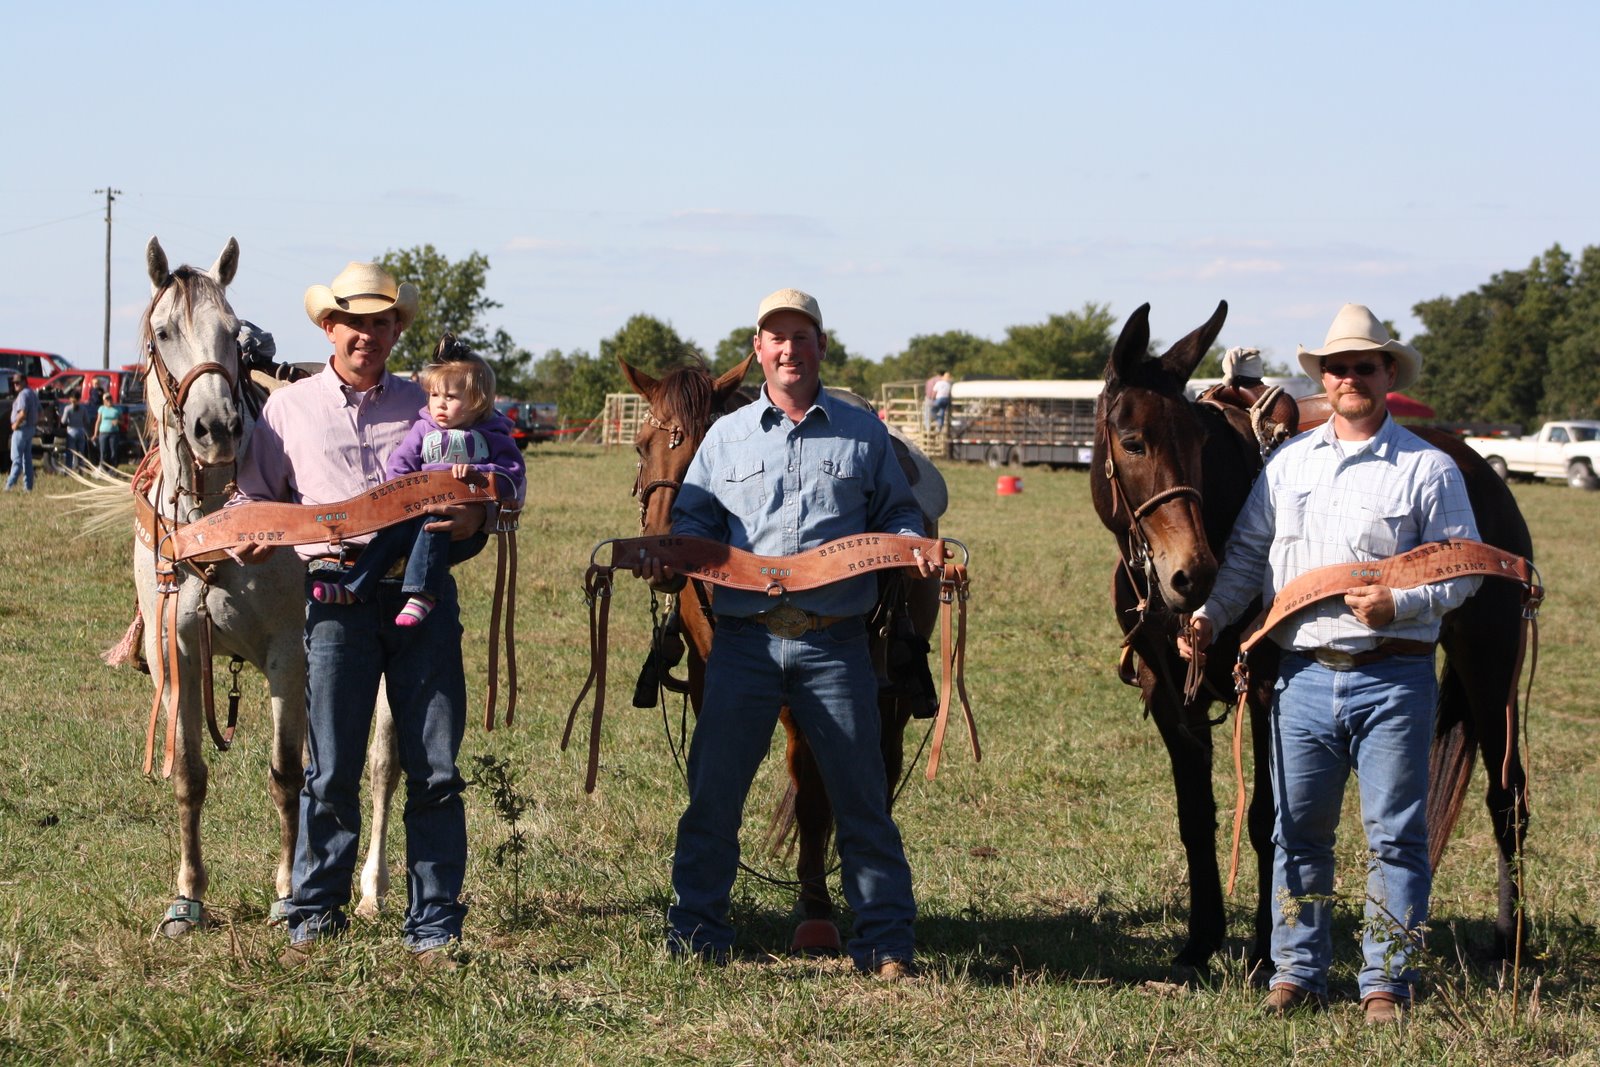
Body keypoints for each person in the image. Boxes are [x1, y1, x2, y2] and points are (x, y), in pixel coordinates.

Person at [1179, 304, 1481, 1024]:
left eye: (1363, 365)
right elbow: (1251, 557)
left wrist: (1401, 606)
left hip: (1394, 674)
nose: (1349, 377)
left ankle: (1385, 982)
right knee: (1296, 833)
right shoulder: (1287, 465)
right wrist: (1210, 615)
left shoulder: (1428, 468)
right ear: (1324, 377)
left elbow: (1463, 570)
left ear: (1386, 375)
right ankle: (1297, 971)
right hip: (1302, 676)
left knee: (1396, 836)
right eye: (1337, 367)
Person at [640, 288, 935, 978]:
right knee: (713, 796)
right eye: (777, 338)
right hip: (744, 644)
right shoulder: (725, 438)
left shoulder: (864, 434)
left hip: (835, 644)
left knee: (863, 798)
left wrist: (913, 540)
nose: (789, 349)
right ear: (759, 351)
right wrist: (671, 547)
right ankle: (696, 933)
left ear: (821, 347)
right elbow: (696, 522)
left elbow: (898, 509)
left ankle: (885, 940)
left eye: (802, 337)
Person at [230, 261, 486, 969]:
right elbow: (252, 502)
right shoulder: (289, 410)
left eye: (381, 322)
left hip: (423, 597)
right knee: (333, 763)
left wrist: (468, 517)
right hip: (334, 599)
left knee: (433, 765)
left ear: (395, 330)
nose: (366, 334)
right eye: (354, 321)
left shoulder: (432, 402)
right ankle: (316, 912)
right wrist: (247, 533)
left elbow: (484, 502)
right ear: (328, 326)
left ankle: (434, 921)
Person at [311, 334, 523, 626]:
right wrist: (398, 498)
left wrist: (481, 474)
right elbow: (401, 462)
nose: (441, 405)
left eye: (451, 398)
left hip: (462, 526)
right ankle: (353, 587)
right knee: (388, 536)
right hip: (419, 509)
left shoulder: (492, 435)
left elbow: (512, 474)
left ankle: (424, 592)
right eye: (435, 396)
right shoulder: (424, 429)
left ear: (477, 402)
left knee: (432, 525)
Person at [6, 374, 39, 492]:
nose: (15, 384)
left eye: (18, 382)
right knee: (27, 459)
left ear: (25, 381)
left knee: (16, 459)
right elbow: (40, 411)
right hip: (30, 429)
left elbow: (22, 413)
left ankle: (9, 485)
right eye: (14, 382)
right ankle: (28, 487)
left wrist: (16, 424)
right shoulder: (32, 393)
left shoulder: (23, 394)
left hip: (21, 429)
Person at [62, 393, 93, 471]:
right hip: (81, 431)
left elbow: (63, 421)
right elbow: (87, 421)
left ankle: (69, 470)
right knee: (81, 453)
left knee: (70, 452)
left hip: (71, 431)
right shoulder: (83, 408)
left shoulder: (68, 408)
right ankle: (81, 469)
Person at [92, 390, 123, 469]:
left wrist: (117, 421)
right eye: (107, 399)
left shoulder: (117, 409)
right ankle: (103, 467)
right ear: (104, 401)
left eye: (110, 399)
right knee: (103, 451)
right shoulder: (101, 409)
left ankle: (113, 469)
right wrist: (95, 434)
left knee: (113, 452)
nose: (109, 401)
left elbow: (123, 422)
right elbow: (98, 421)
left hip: (114, 433)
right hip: (103, 433)